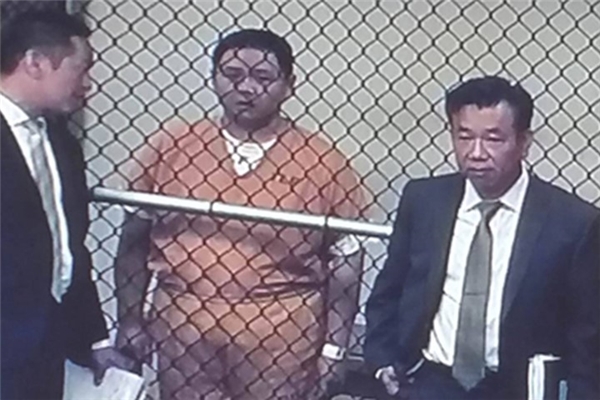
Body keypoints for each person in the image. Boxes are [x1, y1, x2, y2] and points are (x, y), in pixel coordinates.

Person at [114, 29, 369, 399]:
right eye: (232, 75)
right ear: (213, 78)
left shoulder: (322, 161)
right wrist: (130, 319)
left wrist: (334, 348)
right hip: (184, 327)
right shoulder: (174, 146)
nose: (246, 88)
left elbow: (347, 261)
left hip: (280, 332)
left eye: (263, 77)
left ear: (289, 85)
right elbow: (132, 241)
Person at [364, 76, 599, 400]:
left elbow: (586, 332)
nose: (476, 153)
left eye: (493, 139)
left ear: (524, 142)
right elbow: (389, 290)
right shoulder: (424, 200)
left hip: (516, 387)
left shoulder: (572, 222)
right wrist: (383, 361)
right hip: (427, 380)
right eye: (464, 137)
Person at [0, 10, 134, 400]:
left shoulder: (62, 143)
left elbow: (69, 247)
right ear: (35, 63)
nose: (88, 84)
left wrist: (94, 338)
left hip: (46, 343)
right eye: (81, 69)